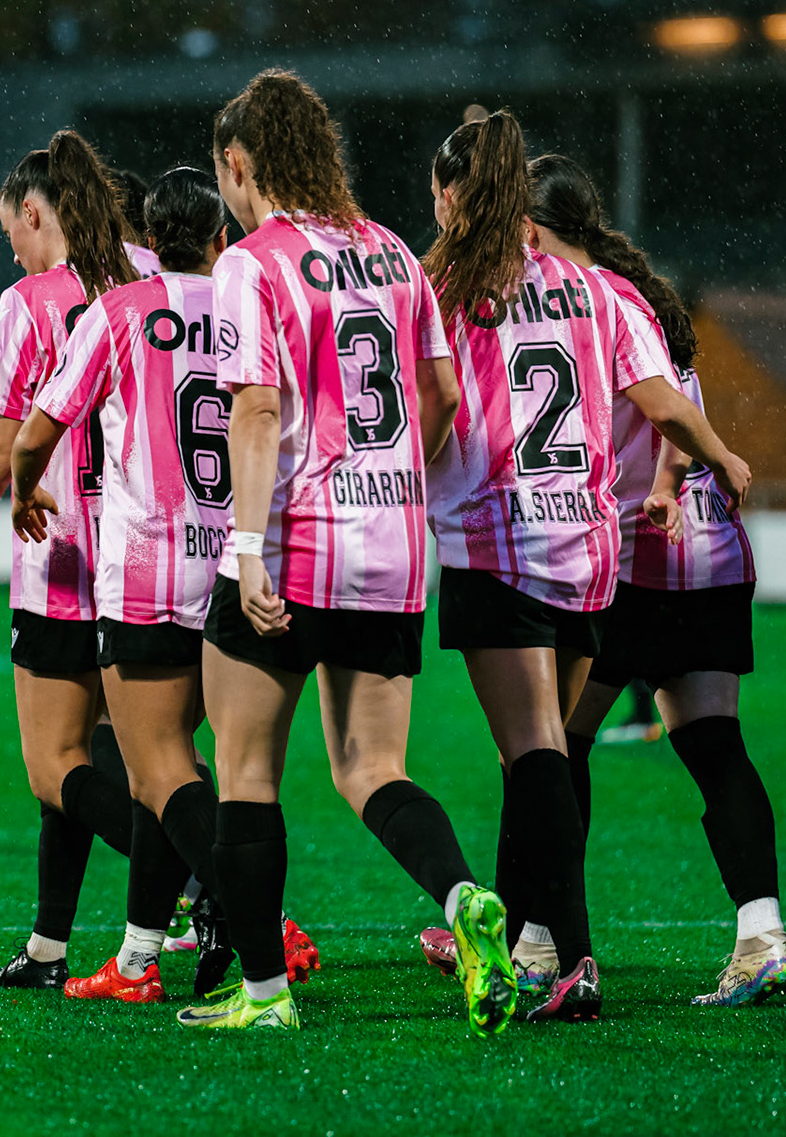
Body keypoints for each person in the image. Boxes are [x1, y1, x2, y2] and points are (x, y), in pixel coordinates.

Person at [174, 68, 513, 1036]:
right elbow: (441, 396)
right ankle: (461, 897)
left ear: (238, 164)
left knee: (245, 772)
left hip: (293, 548)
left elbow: (255, 407)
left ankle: (265, 994)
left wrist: (246, 548)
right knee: (372, 769)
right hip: (392, 552)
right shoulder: (395, 253)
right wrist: (397, 479)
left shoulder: (253, 263)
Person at [420, 114, 752, 1022]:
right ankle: (536, 947)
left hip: (496, 542)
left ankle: (567, 956)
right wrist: (720, 456)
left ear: (451, 196)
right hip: (587, 549)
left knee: (532, 752)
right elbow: (661, 402)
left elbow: (432, 400)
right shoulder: (594, 288)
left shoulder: (443, 286)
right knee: (549, 749)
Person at [11, 167, 320, 1005]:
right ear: (221, 238)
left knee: (156, 772)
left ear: (151, 236)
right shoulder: (255, 307)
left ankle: (256, 924)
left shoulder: (120, 311)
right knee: (184, 765)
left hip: (149, 570)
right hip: (242, 565)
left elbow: (37, 430)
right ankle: (139, 956)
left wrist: (24, 488)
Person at [530, 153, 786, 1008]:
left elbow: (667, 412)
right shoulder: (643, 296)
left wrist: (661, 484)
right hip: (712, 556)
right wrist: (681, 476)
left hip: (634, 559)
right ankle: (763, 936)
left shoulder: (585, 301)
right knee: (713, 743)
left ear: (534, 229)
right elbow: (681, 400)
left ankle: (540, 942)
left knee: (555, 746)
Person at [0, 129, 140, 990]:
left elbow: (3, 445)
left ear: (37, 213)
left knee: (54, 769)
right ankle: (51, 946)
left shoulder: (31, 303)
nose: (9, 246)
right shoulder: (147, 275)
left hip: (60, 557)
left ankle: (218, 886)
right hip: (150, 559)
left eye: (10, 227)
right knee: (128, 752)